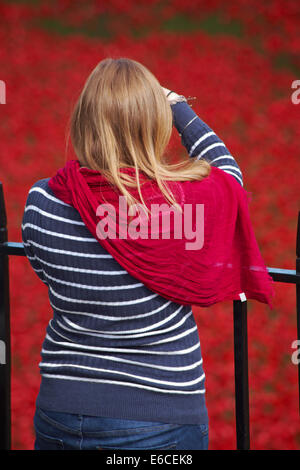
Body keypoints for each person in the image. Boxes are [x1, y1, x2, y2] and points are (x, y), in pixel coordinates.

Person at [21, 57, 247, 451]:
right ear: (153, 122)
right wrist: (178, 107)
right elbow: (229, 180)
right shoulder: (181, 205)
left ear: (85, 119)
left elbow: (43, 269)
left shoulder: (44, 200)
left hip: (61, 411)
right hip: (159, 418)